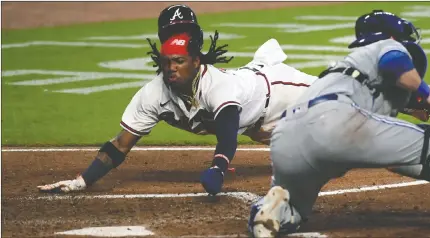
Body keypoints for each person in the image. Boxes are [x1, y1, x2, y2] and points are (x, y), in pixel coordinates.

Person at [36, 4, 320, 195]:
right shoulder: (154, 94)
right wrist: (82, 181)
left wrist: (218, 168)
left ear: (195, 57)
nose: (172, 65)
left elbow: (228, 130)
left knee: (346, 102)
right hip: (260, 128)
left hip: (281, 91)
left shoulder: (217, 84)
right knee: (322, 148)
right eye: (171, 40)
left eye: (184, 40)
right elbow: (119, 145)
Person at [248, 10, 430, 237]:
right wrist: (427, 92)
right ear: (392, 36)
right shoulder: (386, 46)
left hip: (285, 138)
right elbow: (395, 64)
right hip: (334, 122)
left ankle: (270, 211)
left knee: (294, 209)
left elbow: (395, 160)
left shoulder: (343, 75)